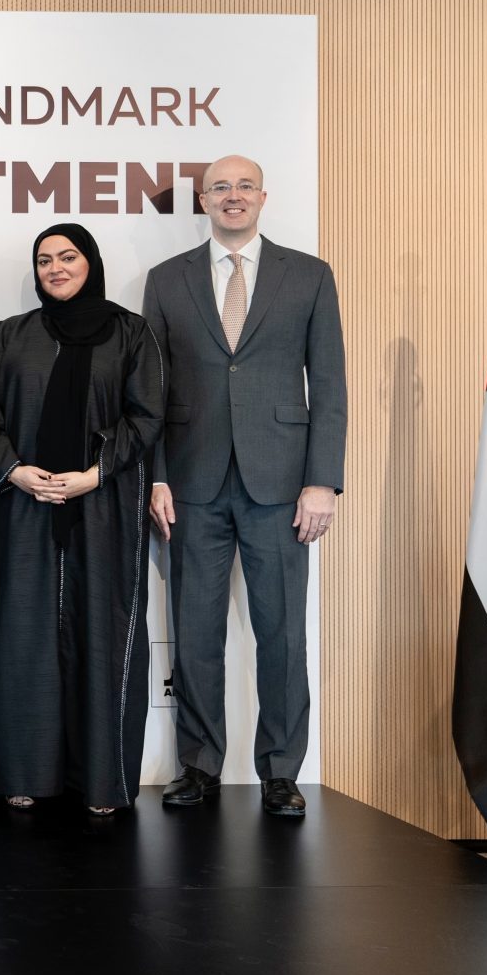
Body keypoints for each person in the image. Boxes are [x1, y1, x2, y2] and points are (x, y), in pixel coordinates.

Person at [143, 155, 345, 818]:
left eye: (244, 186)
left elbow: (330, 386)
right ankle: (199, 765)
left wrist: (322, 481)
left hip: (282, 485)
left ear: (263, 197)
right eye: (220, 187)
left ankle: (281, 772)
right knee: (196, 634)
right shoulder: (166, 279)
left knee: (282, 634)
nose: (233, 196)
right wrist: (157, 474)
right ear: (203, 201)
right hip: (192, 481)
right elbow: (151, 390)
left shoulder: (309, 275)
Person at [0, 224, 164, 815]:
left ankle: (101, 780)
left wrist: (95, 474)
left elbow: (146, 414)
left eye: (67, 256)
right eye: (44, 259)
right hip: (23, 509)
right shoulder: (9, 336)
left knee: (101, 630)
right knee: (22, 633)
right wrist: (15, 471)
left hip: (101, 507)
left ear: (90, 262)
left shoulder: (131, 333)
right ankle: (22, 769)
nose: (55, 268)